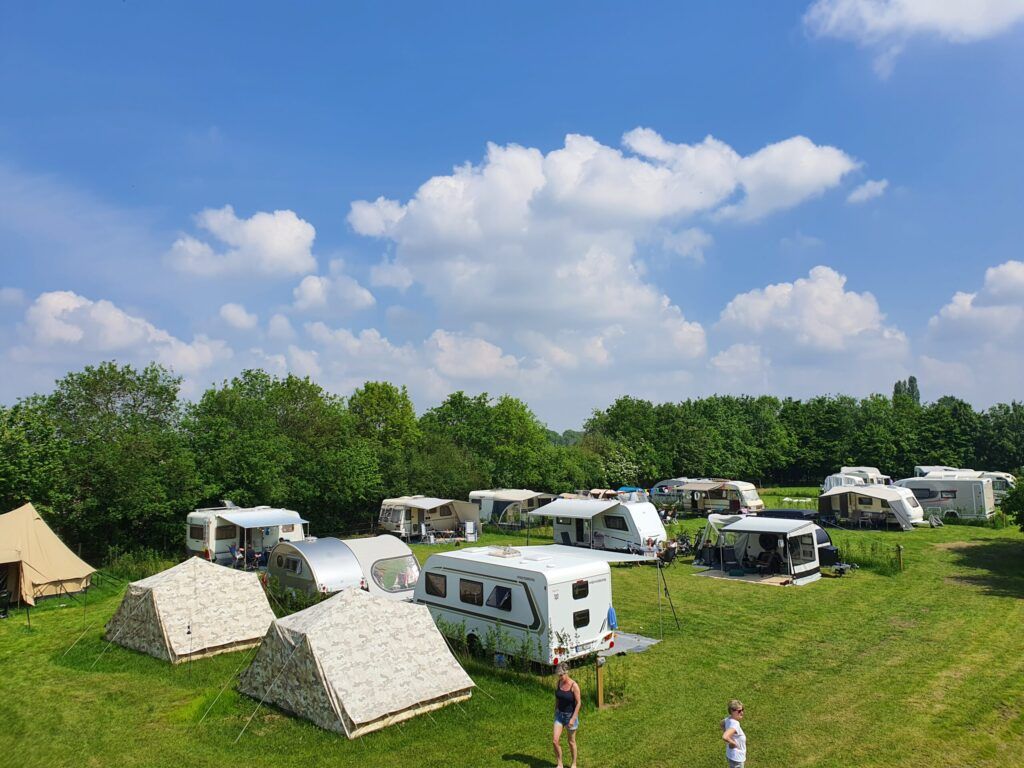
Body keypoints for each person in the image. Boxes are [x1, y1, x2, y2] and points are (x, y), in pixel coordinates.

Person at [552, 663, 580, 768]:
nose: (559, 677)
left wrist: (573, 718)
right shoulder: (559, 683)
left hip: (570, 717)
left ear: (566, 673)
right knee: (555, 741)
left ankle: (574, 763)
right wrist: (556, 709)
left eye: (561, 675)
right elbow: (557, 698)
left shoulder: (574, 686)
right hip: (559, 715)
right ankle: (560, 763)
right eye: (558, 675)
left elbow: (579, 703)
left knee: (571, 742)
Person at [722, 699, 747, 768]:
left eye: (742, 709)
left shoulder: (728, 719)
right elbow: (725, 737)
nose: (742, 713)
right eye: (739, 711)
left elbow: (721, 723)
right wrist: (733, 743)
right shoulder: (735, 724)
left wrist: (726, 732)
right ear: (732, 711)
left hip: (730, 754)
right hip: (737, 758)